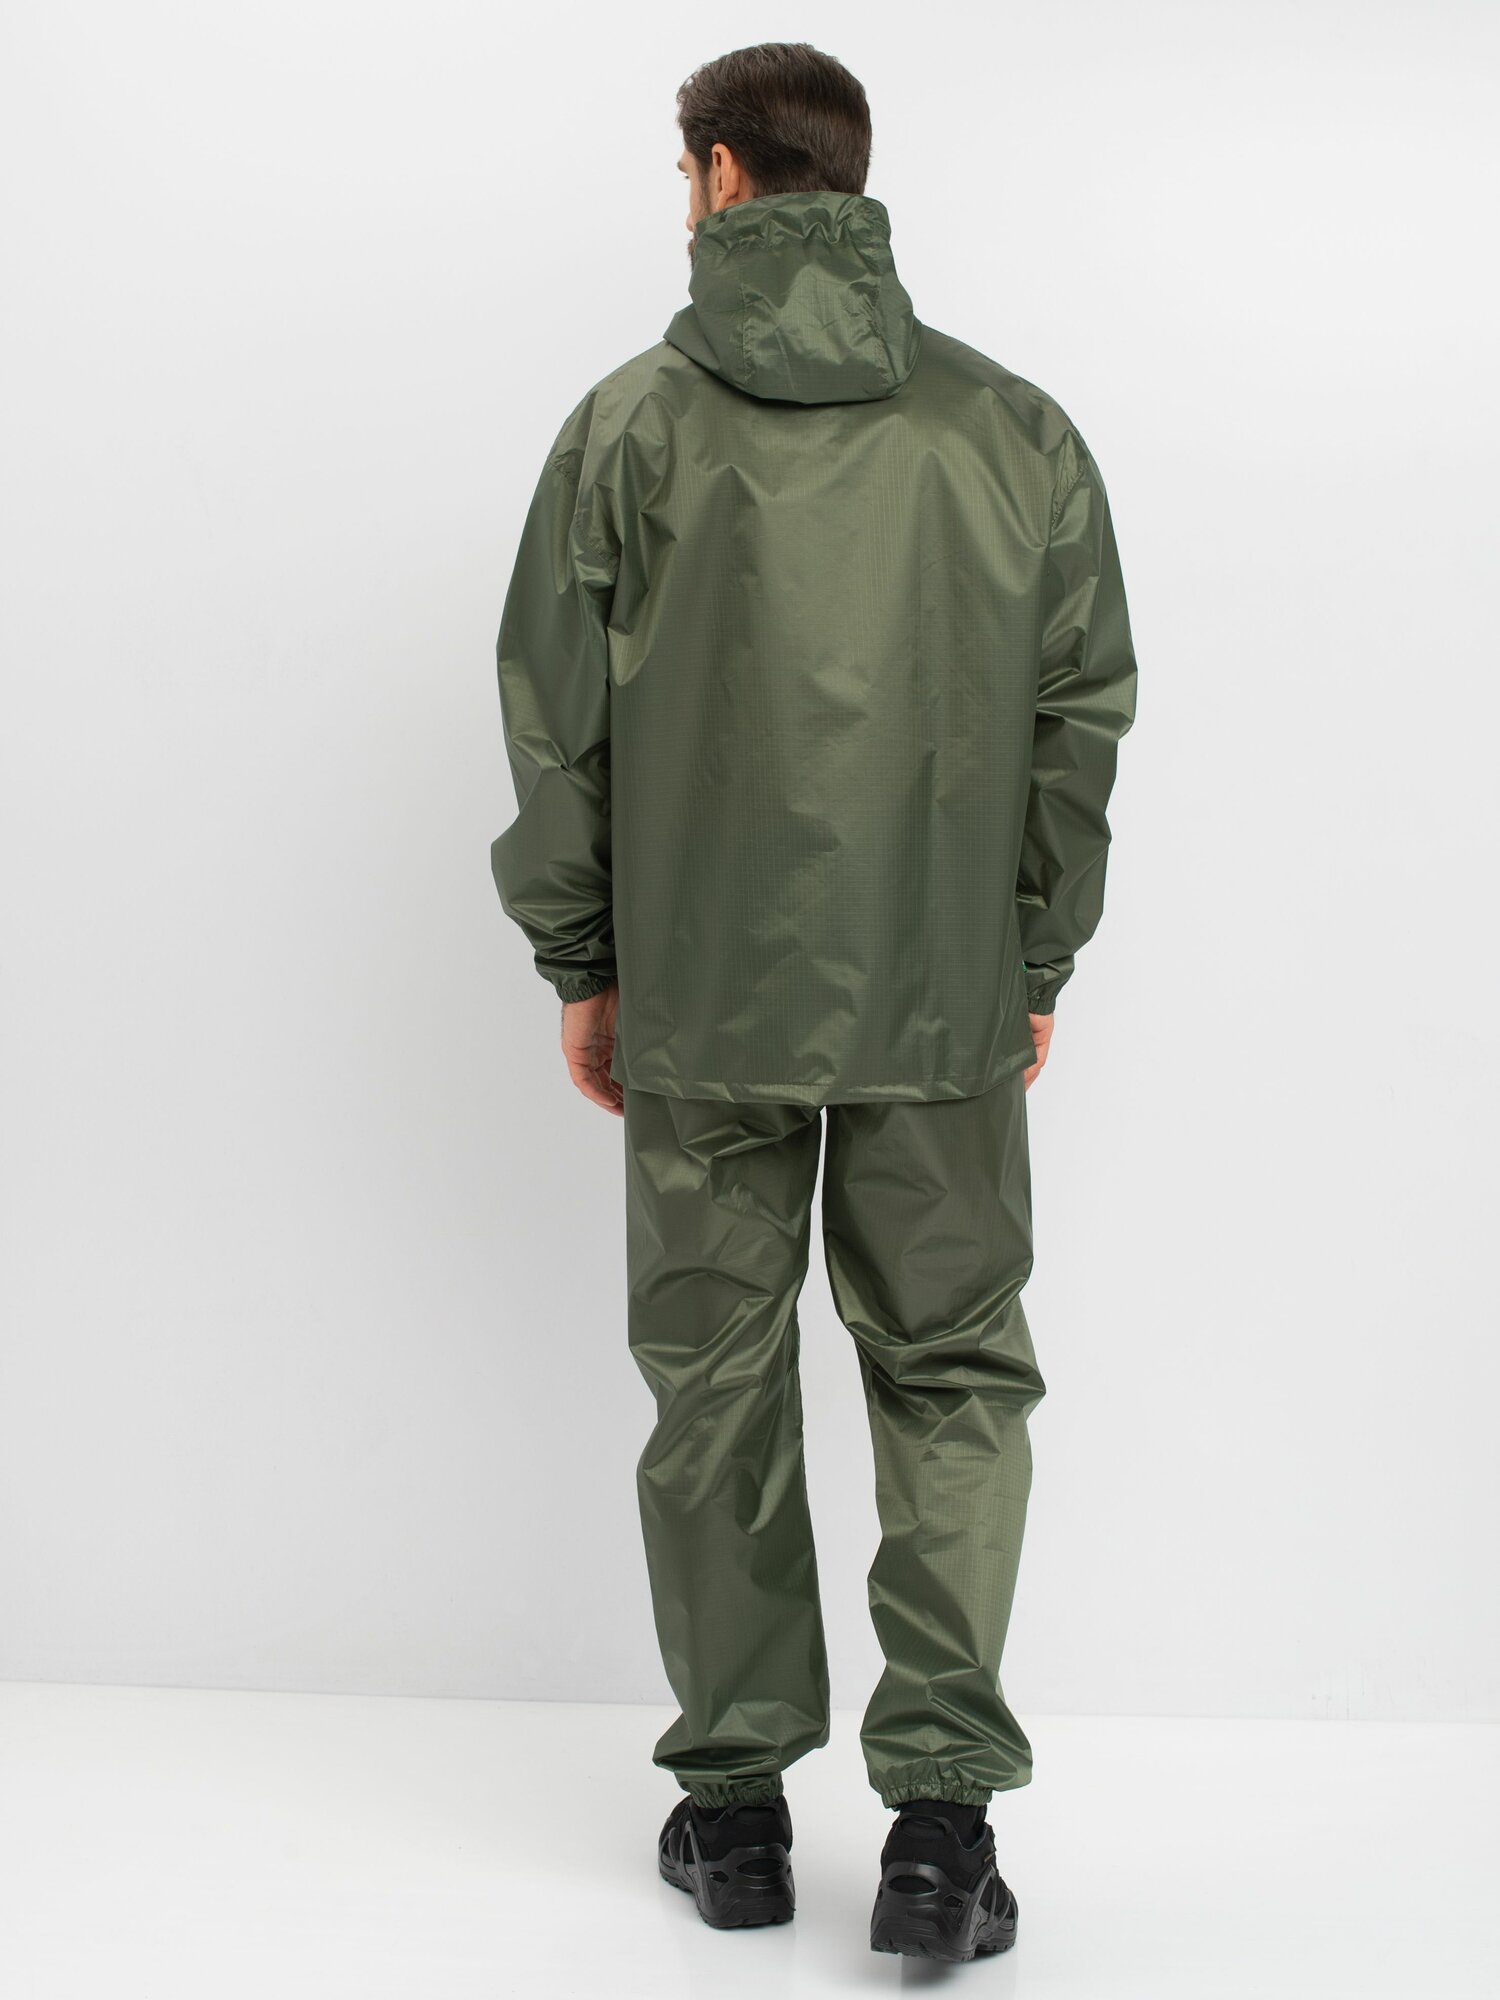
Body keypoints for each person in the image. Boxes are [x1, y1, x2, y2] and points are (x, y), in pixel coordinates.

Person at [489, 39, 1137, 1962]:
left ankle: (738, 1818)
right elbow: (1078, 716)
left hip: (702, 999)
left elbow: (557, 727)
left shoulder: (628, 428)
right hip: (942, 1000)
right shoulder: (1013, 433)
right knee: (952, 1377)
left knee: (715, 1382)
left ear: (716, 178)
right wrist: (1032, 952)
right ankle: (941, 1831)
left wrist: (587, 961)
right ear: (843, 176)